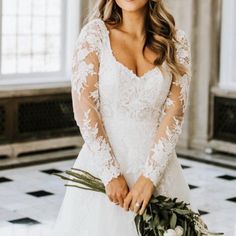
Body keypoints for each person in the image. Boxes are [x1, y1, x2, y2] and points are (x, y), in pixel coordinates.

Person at [52, 0, 198, 235]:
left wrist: (150, 177)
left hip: (158, 171)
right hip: (103, 169)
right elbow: (85, 109)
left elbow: (174, 115)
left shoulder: (176, 41)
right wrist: (110, 174)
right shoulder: (95, 35)